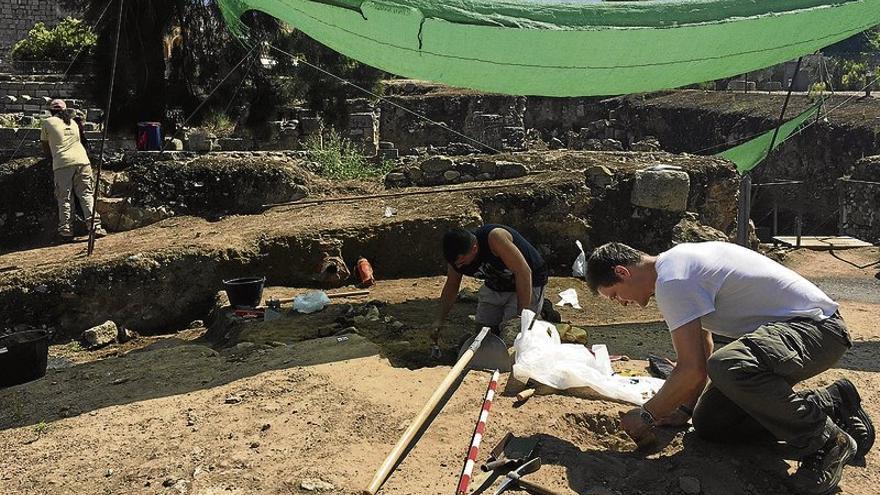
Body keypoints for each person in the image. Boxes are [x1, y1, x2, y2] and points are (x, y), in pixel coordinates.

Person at [585, 241, 873, 495]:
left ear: (623, 272)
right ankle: (829, 404)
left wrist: (647, 415)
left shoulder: (673, 279)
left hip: (819, 329)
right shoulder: (676, 268)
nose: (620, 303)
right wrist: (686, 410)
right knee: (712, 423)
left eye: (614, 295)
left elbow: (693, 369)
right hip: (800, 335)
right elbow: (702, 346)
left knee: (728, 365)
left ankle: (824, 439)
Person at [433, 225, 548, 338]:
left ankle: (542, 312)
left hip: (528, 281)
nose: (459, 266)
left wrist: (522, 315)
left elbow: (523, 272)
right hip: (496, 281)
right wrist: (439, 320)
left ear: (474, 248)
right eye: (456, 264)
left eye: (462, 262)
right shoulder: (456, 259)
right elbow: (452, 286)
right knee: (483, 334)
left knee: (511, 334)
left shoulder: (495, 238)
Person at [41, 99, 106, 241]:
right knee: (86, 194)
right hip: (82, 161)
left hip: (62, 163)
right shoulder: (74, 122)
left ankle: (66, 230)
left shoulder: (47, 122)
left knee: (64, 197)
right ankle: (95, 226)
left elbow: (46, 147)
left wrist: (51, 156)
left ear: (51, 111)